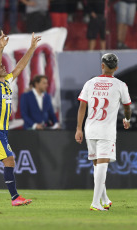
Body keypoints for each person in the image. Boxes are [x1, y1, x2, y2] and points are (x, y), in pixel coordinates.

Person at [0, 31, 41, 206]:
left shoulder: (6, 82)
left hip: (1, 130)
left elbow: (20, 67)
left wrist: (32, 48)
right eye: (1, 67)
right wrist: (0, 49)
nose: (5, 67)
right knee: (9, 160)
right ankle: (14, 197)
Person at [75, 53, 131, 211]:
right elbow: (127, 106)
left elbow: (82, 107)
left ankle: (104, 199)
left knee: (96, 165)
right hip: (106, 131)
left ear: (102, 65)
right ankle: (95, 202)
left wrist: (79, 128)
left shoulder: (90, 83)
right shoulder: (120, 85)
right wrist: (127, 119)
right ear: (116, 68)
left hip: (90, 129)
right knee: (103, 165)